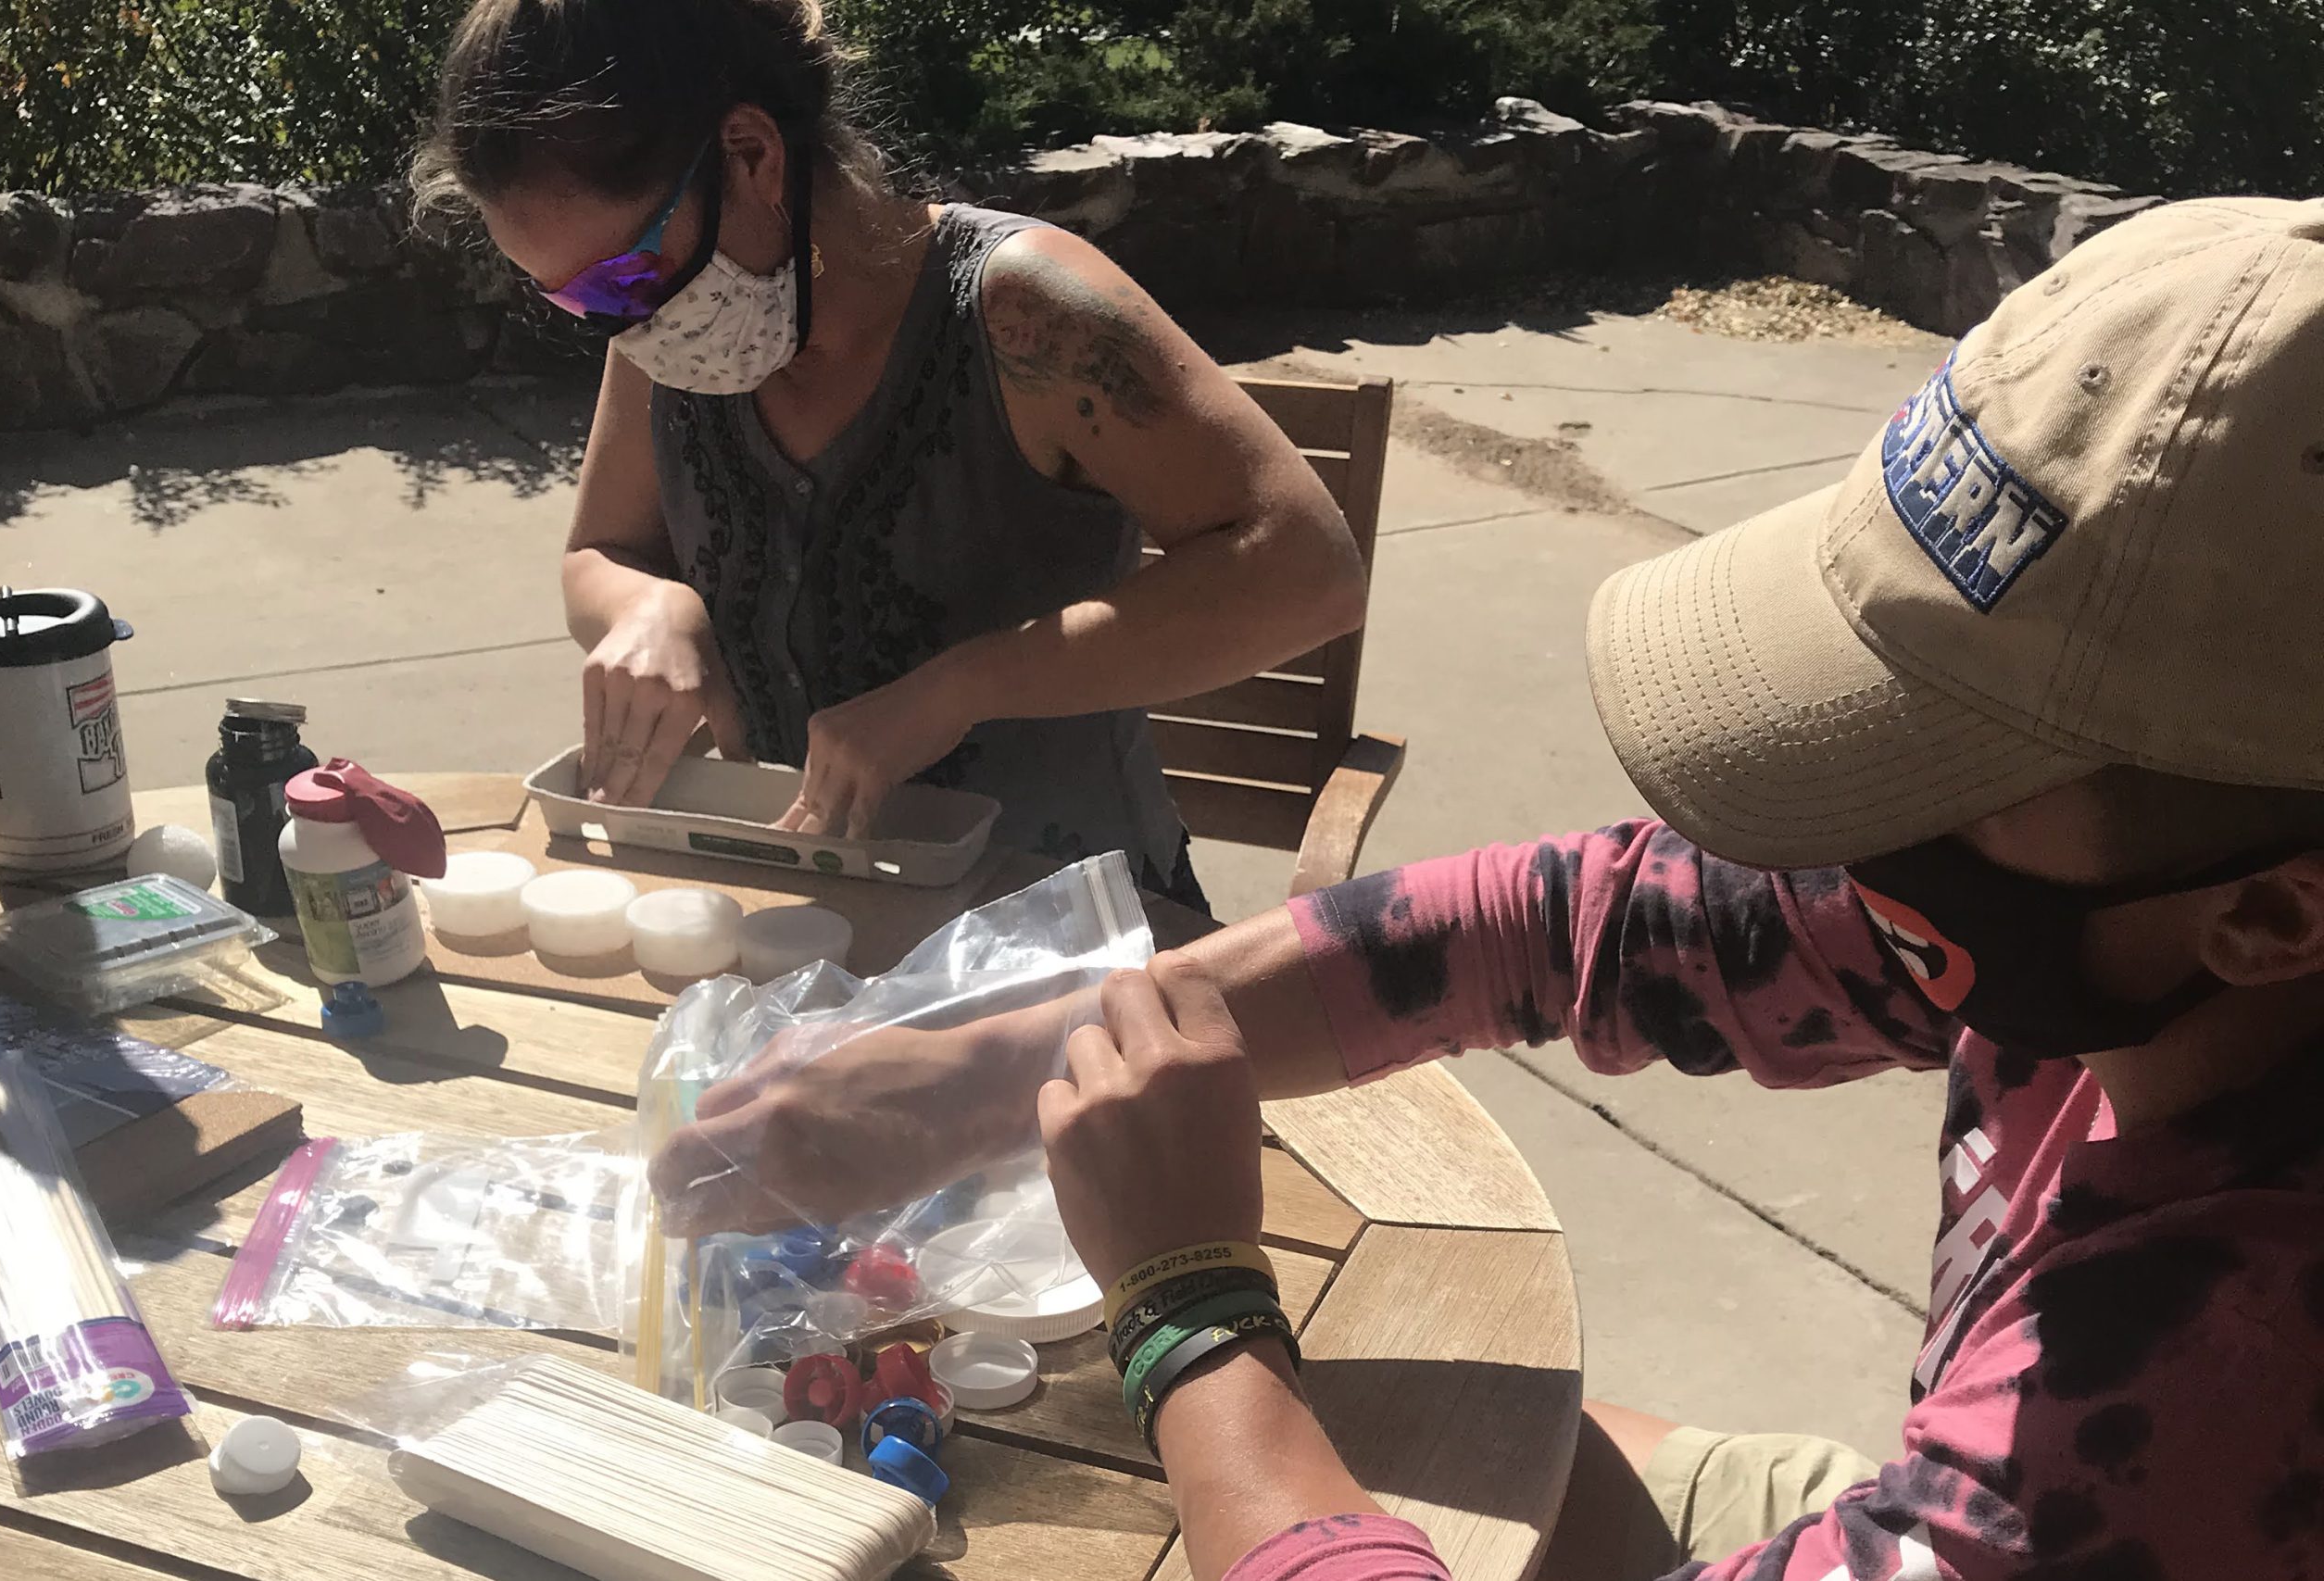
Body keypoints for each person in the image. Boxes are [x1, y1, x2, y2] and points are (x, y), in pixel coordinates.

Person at [652, 196, 2324, 1580]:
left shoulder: (2221, 1374)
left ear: (2271, 913)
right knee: (1452, 1429)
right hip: (1934, 1469)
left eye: (1914, 770)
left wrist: (1188, 1308)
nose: (1826, 834)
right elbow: (1571, 928)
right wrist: (1000, 1062)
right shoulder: (2141, 914)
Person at [411, 0, 1365, 912]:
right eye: (575, 303)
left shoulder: (1020, 312)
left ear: (749, 156)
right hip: (788, 907)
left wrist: (961, 689)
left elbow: (1307, 569)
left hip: (1054, 929)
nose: (619, 325)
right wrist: (651, 609)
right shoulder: (675, 331)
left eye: (620, 277)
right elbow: (601, 553)